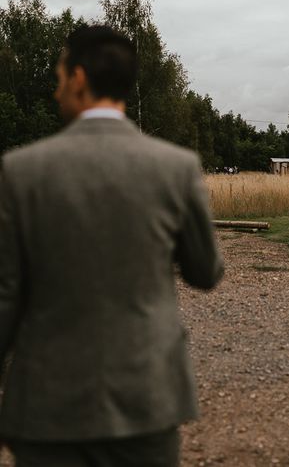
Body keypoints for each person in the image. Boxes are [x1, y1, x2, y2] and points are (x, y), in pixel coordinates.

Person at [0, 25, 224, 466]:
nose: (55, 87)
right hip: (147, 397)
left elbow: (5, 293)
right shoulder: (175, 168)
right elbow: (204, 272)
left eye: (59, 75)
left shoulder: (20, 171)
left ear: (79, 78)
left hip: (49, 407)